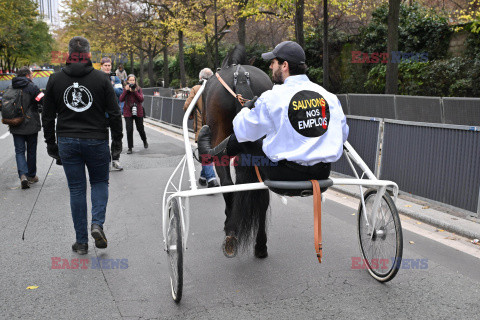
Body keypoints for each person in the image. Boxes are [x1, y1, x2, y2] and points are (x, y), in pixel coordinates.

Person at [198, 40, 349, 182]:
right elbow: (343, 134)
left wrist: (245, 110)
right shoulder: (330, 97)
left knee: (246, 138)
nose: (270, 67)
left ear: (285, 66)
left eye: (273, 63)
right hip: (322, 173)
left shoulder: (272, 98)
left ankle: (211, 155)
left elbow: (242, 130)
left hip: (285, 174)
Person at [42, 36, 123, 255]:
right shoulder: (101, 79)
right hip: (96, 139)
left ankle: (81, 242)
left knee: (76, 189)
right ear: (89, 54)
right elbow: (115, 114)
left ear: (69, 54)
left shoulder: (55, 80)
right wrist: (117, 142)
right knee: (99, 182)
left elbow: (47, 116)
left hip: (67, 140)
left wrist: (51, 144)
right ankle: (97, 224)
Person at [6, 67, 43, 189]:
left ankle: (22, 175)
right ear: (27, 75)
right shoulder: (32, 87)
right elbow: (41, 99)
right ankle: (31, 175)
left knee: (19, 151)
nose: (32, 76)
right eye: (31, 74)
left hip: (15, 123)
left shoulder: (11, 86)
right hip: (31, 123)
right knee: (31, 150)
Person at [183, 68, 219, 188]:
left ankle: (212, 179)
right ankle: (203, 177)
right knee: (209, 152)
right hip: (216, 126)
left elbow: (186, 106)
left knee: (205, 153)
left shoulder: (196, 89)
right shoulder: (217, 88)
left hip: (201, 126)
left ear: (200, 78)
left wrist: (192, 113)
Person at [100, 57, 124, 170]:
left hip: (114, 113)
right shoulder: (97, 77)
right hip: (101, 113)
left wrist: (108, 87)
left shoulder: (115, 78)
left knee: (117, 136)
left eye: (109, 65)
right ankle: (105, 161)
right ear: (101, 66)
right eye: (105, 65)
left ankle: (115, 159)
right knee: (103, 138)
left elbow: (119, 92)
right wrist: (111, 87)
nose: (107, 67)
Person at [119, 74, 148, 154]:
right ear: (127, 81)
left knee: (140, 128)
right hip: (128, 111)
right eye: (130, 80)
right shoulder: (125, 89)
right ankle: (130, 147)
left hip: (138, 111)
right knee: (129, 129)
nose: (131, 82)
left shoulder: (138, 89)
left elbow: (141, 99)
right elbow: (121, 99)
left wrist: (135, 91)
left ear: (135, 81)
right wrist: (125, 90)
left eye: (133, 80)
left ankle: (144, 140)